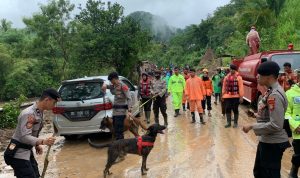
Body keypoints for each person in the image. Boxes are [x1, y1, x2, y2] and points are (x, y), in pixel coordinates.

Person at [242, 61, 291, 178]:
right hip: (267, 140)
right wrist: (256, 115)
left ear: (269, 77)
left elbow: (276, 125)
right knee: (259, 172)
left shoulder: (275, 95)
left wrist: (253, 126)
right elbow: (270, 115)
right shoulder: (270, 91)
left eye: (259, 74)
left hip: (272, 143)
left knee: (269, 174)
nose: (257, 77)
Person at [3, 88, 60, 178]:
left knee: (36, 175)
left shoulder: (39, 112)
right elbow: (24, 136)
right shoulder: (29, 114)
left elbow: (32, 133)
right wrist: (43, 141)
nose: (54, 105)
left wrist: (36, 145)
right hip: (17, 154)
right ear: (47, 100)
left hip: (27, 151)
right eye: (54, 102)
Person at [102, 72, 132, 140]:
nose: (110, 82)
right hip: (115, 113)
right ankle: (119, 146)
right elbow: (106, 85)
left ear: (115, 79)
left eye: (111, 80)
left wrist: (129, 111)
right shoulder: (114, 85)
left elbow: (129, 98)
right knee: (116, 131)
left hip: (121, 112)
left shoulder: (123, 86)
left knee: (119, 132)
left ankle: (120, 147)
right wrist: (104, 85)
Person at [285, 70, 300, 178]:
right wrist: (295, 125)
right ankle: (294, 170)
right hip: (298, 131)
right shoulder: (290, 93)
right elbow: (287, 113)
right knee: (299, 154)